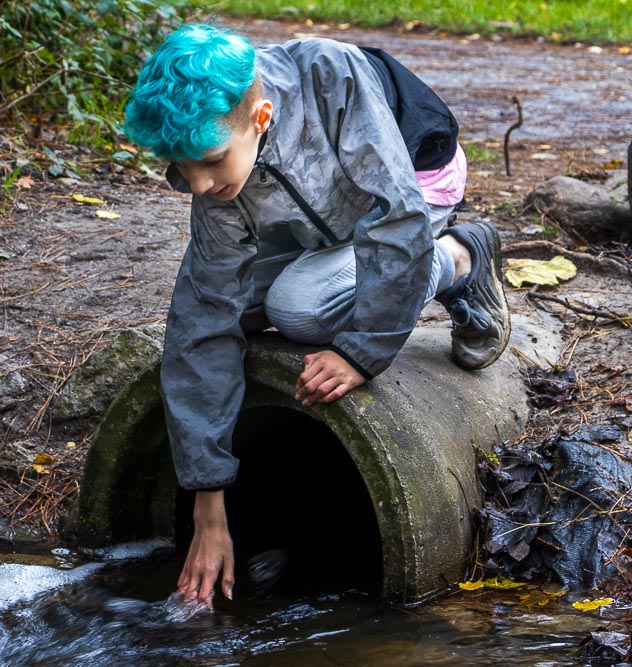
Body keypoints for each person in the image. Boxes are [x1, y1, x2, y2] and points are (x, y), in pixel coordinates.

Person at [123, 23, 511, 607]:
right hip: (317, 212)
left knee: (298, 308)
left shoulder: (333, 76)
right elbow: (201, 319)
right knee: (233, 311)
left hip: (413, 190)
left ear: (260, 117)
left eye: (208, 161)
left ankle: (461, 257)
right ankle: (362, 266)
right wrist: (207, 503)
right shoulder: (218, 175)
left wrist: (361, 349)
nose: (199, 185)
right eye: (183, 170)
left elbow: (395, 218)